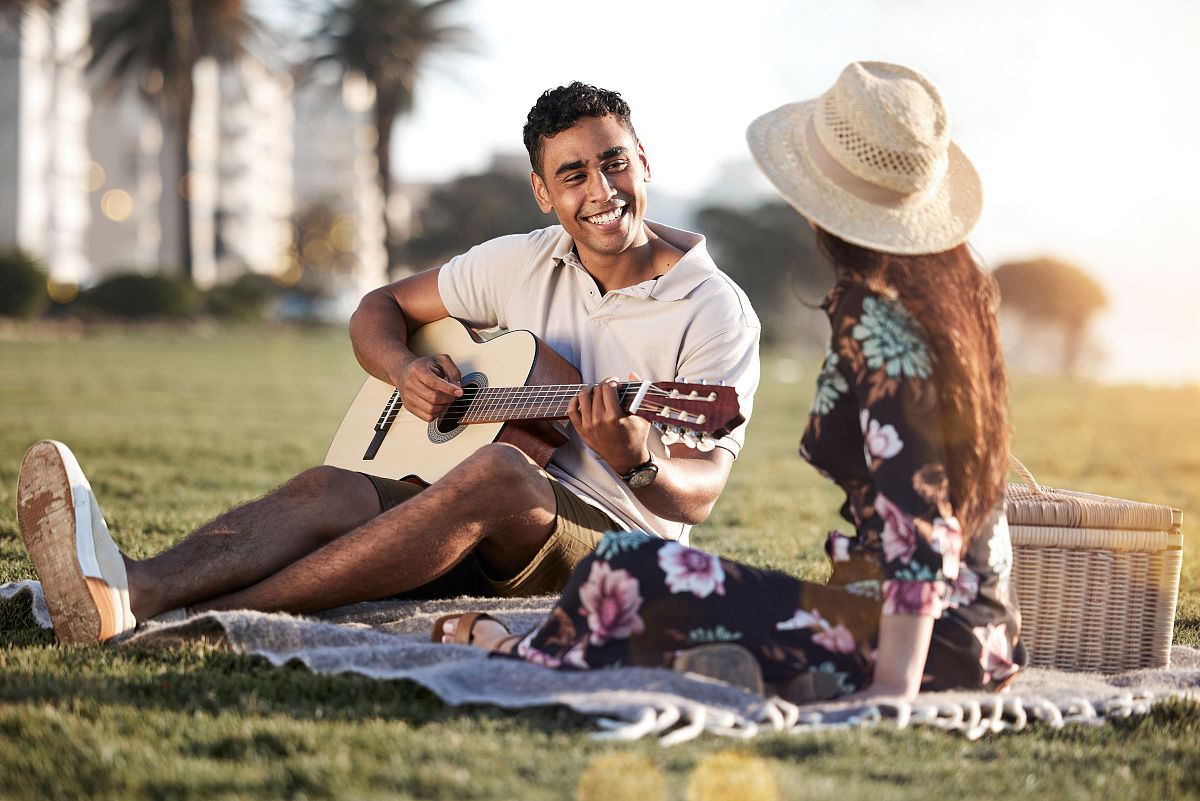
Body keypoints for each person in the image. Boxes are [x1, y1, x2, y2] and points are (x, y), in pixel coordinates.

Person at [16, 82, 761, 645]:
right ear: (542, 192)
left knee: (502, 472)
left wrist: (637, 462)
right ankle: (134, 588)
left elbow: (698, 495)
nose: (601, 191)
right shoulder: (524, 261)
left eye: (614, 163)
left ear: (643, 162)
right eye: (573, 175)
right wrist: (402, 369)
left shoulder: (714, 307)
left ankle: (209, 620)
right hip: (474, 507)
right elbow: (379, 306)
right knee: (329, 487)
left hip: (610, 549)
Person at [433, 62, 1027, 704]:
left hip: (914, 639)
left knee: (625, 571)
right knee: (658, 578)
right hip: (980, 629)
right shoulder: (955, 295)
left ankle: (510, 649)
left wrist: (892, 689)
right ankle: (757, 662)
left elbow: (921, 519)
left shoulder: (874, 317)